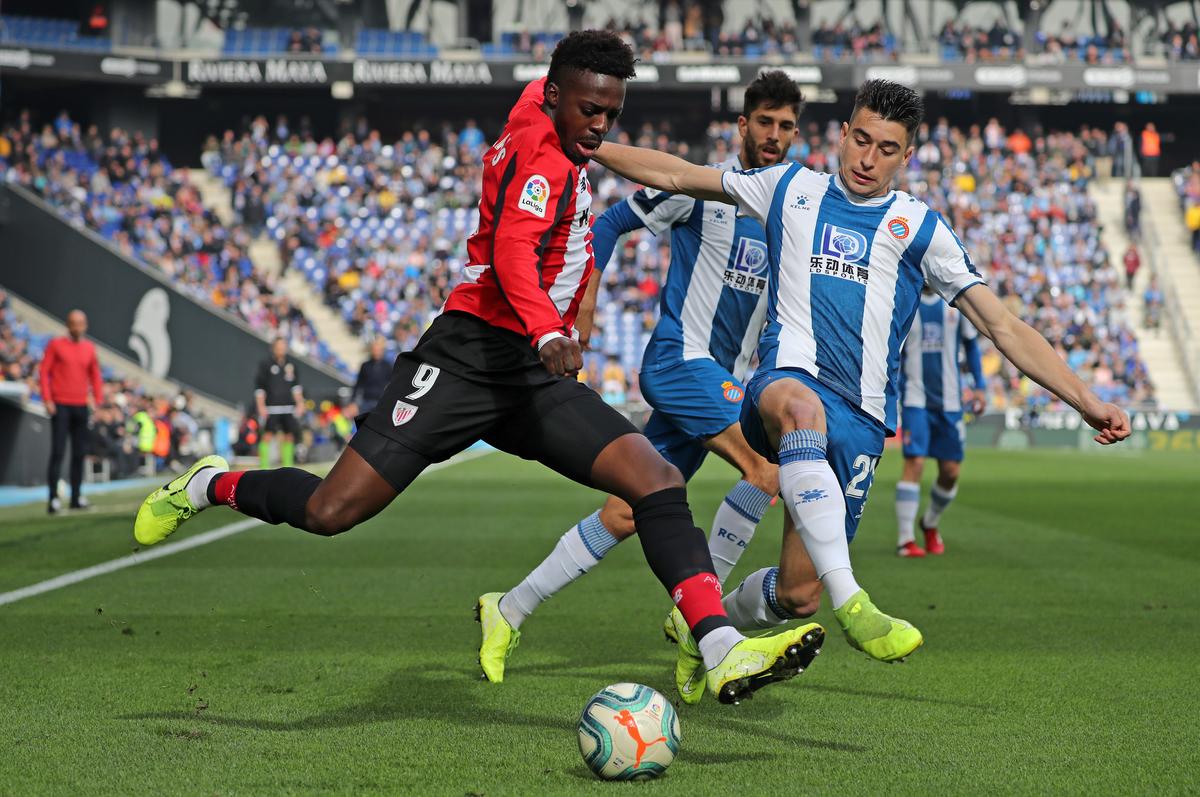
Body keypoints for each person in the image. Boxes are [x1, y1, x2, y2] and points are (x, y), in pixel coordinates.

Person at [133, 31, 820, 707]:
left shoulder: (537, 103)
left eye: (610, 112)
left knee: (656, 479)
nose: (599, 126)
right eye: (589, 110)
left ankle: (719, 642)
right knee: (330, 509)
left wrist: (555, 324)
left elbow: (563, 140)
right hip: (467, 357)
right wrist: (551, 324)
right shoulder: (544, 160)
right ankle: (209, 483)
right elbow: (512, 250)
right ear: (555, 97)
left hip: (531, 373)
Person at [592, 78, 1131, 671]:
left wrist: (1085, 398)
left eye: (888, 149)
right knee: (802, 409)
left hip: (863, 419)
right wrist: (586, 144)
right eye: (862, 141)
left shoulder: (919, 228)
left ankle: (704, 624)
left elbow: (1002, 326)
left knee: (798, 594)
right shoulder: (788, 187)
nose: (868, 160)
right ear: (843, 135)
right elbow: (675, 174)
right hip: (785, 385)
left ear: (908, 155)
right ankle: (853, 601)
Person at [480, 72, 809, 702]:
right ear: (742, 126)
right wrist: (582, 308)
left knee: (629, 509)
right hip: (680, 363)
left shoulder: (787, 211)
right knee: (765, 468)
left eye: (786, 125)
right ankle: (704, 625)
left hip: (722, 380)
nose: (774, 136)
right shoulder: (701, 192)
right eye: (763, 122)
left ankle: (510, 607)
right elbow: (604, 227)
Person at [894, 285, 986, 558]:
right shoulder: (904, 304)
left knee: (951, 472)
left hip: (950, 402)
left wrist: (980, 385)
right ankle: (905, 539)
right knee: (915, 462)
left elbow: (971, 346)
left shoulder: (955, 306)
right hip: (915, 399)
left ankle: (930, 523)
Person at [40, 309, 103, 513]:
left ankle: (76, 497)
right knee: (58, 452)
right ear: (68, 325)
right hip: (60, 405)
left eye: (80, 323)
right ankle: (53, 499)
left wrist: (98, 399)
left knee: (79, 453)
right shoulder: (56, 345)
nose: (77, 326)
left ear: (85, 325)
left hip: (81, 406)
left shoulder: (89, 348)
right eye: (73, 323)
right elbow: (44, 372)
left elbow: (95, 375)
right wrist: (47, 399)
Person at [255, 338, 305, 468]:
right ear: (274, 348)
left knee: (289, 436)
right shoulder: (265, 365)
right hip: (272, 408)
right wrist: (261, 406)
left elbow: (296, 388)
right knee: (267, 435)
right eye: (279, 346)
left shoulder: (291, 365)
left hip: (288, 408)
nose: (282, 349)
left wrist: (300, 403)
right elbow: (260, 389)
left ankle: (288, 467)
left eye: (284, 346)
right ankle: (264, 467)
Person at [351, 337, 392, 416]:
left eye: (378, 349)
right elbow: (358, 384)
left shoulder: (388, 366)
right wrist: (353, 402)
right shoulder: (365, 365)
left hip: (381, 402)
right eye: (374, 349)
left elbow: (392, 384)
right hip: (366, 401)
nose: (376, 352)